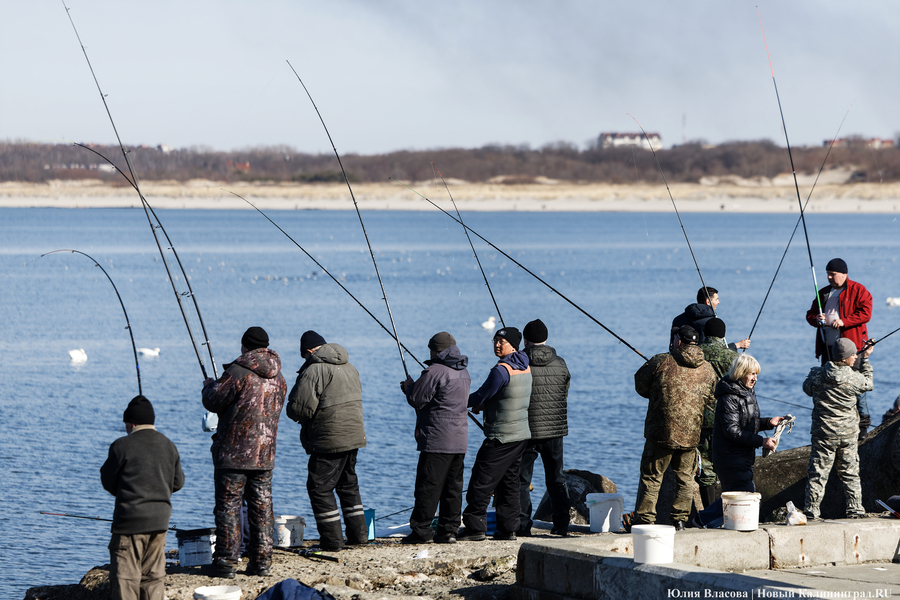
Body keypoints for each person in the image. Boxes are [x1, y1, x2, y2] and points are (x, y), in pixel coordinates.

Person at [202, 326, 286, 578]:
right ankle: (261, 563)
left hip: (233, 455)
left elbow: (213, 401)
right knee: (262, 508)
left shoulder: (237, 372)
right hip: (265, 455)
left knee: (228, 508)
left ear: (244, 346)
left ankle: (226, 563)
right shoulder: (279, 377)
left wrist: (208, 386)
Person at [286, 330, 367, 551]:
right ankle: (359, 535)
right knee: (347, 485)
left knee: (319, 487)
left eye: (304, 356)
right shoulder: (350, 367)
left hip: (328, 438)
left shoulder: (314, 370)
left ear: (309, 351)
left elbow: (298, 409)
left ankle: (332, 541)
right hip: (354, 435)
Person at [632, 325, 717, 530]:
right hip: (691, 435)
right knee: (686, 479)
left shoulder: (662, 361)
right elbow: (711, 398)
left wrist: (658, 393)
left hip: (660, 433)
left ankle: (645, 521)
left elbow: (639, 385)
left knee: (652, 477)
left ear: (678, 341)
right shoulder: (708, 368)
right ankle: (679, 520)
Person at [101, 395, 184, 600]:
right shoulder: (169, 445)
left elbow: (107, 481)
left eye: (126, 424)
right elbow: (178, 482)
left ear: (132, 423)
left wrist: (127, 493)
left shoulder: (121, 446)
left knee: (125, 579)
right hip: (159, 523)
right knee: (153, 578)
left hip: (129, 524)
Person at [459, 327, 532, 541]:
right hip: (520, 434)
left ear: (514, 345)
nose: (497, 345)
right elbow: (509, 395)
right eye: (495, 340)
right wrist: (488, 404)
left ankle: (474, 527)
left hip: (501, 436)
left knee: (481, 481)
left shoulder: (502, 369)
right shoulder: (525, 365)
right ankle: (508, 528)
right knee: (509, 483)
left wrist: (457, 401)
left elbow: (482, 393)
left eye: (502, 341)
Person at [693, 355, 782, 527]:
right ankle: (703, 520)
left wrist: (769, 422)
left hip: (741, 455)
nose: (755, 378)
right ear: (741, 373)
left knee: (735, 495)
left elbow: (748, 422)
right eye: (752, 374)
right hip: (729, 456)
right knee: (743, 494)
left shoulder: (746, 392)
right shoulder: (729, 397)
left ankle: (706, 522)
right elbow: (732, 431)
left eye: (756, 374)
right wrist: (761, 441)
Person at [399, 332, 471, 544]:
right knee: (453, 488)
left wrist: (408, 388)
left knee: (428, 487)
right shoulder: (464, 371)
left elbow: (417, 399)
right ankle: (449, 531)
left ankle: (421, 532)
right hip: (459, 440)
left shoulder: (434, 371)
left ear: (435, 350)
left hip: (437, 440)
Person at [802, 338, 874, 520]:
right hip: (848, 434)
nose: (855, 357)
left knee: (818, 473)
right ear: (844, 358)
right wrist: (865, 360)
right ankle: (855, 509)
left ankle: (811, 511)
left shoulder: (818, 374)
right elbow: (868, 384)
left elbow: (806, 388)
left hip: (823, 433)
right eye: (853, 355)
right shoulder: (854, 378)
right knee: (850, 473)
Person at [805, 258, 873, 439]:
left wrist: (845, 321)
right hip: (828, 350)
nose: (829, 277)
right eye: (827, 274)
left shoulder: (858, 290)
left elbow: (866, 312)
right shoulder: (823, 293)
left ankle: (863, 426)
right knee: (828, 387)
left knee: (857, 388)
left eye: (832, 274)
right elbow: (809, 315)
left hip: (852, 351)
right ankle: (831, 426)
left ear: (844, 274)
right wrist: (816, 319)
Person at [518, 319, 571, 537]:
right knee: (556, 478)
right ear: (546, 339)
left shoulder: (519, 363)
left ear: (525, 340)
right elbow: (564, 390)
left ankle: (522, 526)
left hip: (526, 431)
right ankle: (562, 525)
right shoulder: (560, 363)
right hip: (554, 431)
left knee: (522, 480)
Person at [696, 318, 739, 508]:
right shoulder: (732, 357)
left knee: (705, 466)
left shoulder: (696, 354)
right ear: (722, 335)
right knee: (728, 463)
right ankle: (727, 510)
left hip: (701, 415)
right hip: (727, 416)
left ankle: (707, 511)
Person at [671, 287, 751, 349]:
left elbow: (672, 346)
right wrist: (737, 345)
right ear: (708, 301)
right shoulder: (712, 322)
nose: (718, 302)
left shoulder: (678, 319)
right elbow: (716, 351)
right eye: (716, 299)